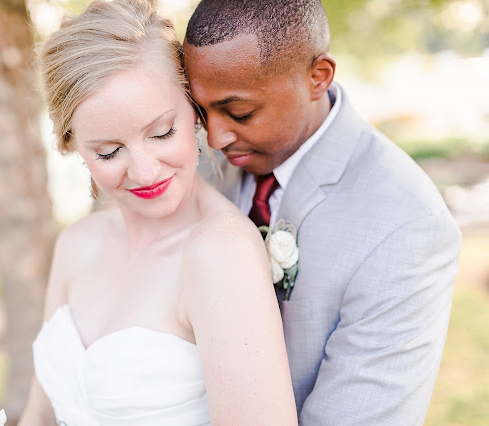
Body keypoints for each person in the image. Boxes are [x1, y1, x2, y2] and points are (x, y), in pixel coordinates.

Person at [19, 1, 297, 425]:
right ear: (72, 145)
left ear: (193, 111)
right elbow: (40, 414)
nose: (145, 171)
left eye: (162, 132)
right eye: (109, 151)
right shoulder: (76, 245)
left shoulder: (219, 252)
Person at [183, 1, 461, 424]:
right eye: (201, 112)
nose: (216, 138)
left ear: (318, 77)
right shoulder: (191, 166)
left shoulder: (408, 226)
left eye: (240, 113)